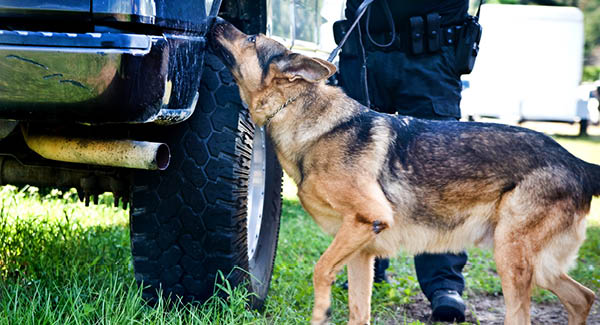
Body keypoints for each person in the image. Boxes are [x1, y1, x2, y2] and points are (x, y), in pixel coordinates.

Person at [334, 0, 477, 322]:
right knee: (360, 170)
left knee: (438, 174)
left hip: (433, 48)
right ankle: (366, 264)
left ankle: (444, 285)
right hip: (365, 44)